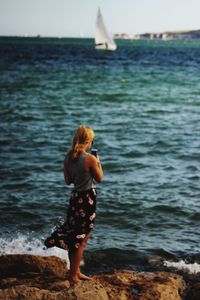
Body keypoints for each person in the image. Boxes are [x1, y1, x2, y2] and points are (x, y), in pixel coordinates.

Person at [44, 125, 103, 283]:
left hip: (75, 199)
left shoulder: (69, 157)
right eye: (92, 140)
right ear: (88, 141)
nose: (92, 143)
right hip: (87, 200)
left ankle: (74, 272)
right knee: (81, 239)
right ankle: (74, 275)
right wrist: (98, 162)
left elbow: (68, 181)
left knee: (74, 237)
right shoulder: (90, 158)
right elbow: (100, 178)